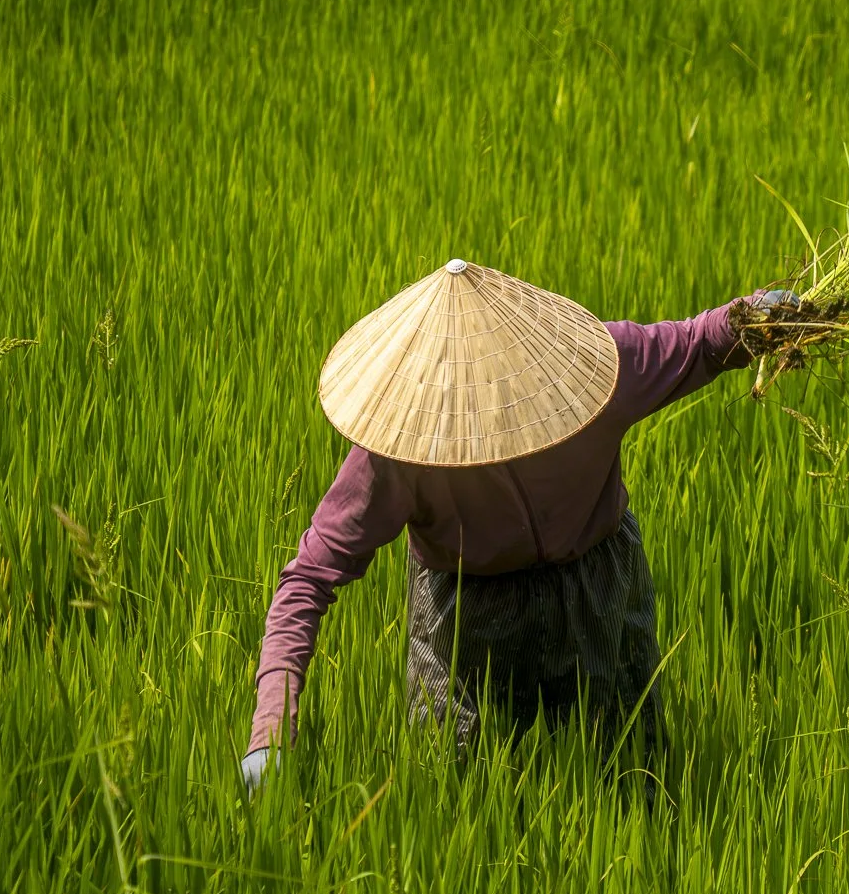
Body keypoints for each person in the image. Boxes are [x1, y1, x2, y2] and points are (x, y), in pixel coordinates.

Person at [240, 259, 797, 793]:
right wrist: (270, 731)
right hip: (469, 619)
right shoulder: (399, 451)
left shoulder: (596, 367)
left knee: (627, 772)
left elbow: (702, 341)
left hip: (596, 592)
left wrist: (759, 315)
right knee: (460, 797)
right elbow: (309, 579)